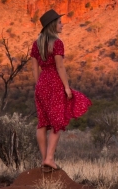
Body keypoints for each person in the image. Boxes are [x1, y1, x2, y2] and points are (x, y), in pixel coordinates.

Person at [31, 9, 91, 171]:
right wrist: (66, 87)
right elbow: (60, 66)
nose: (62, 24)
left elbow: (35, 70)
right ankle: (50, 158)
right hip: (55, 83)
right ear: (52, 25)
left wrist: (39, 87)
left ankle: (45, 160)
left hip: (41, 84)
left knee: (42, 124)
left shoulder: (36, 45)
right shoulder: (57, 43)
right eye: (59, 22)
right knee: (57, 122)